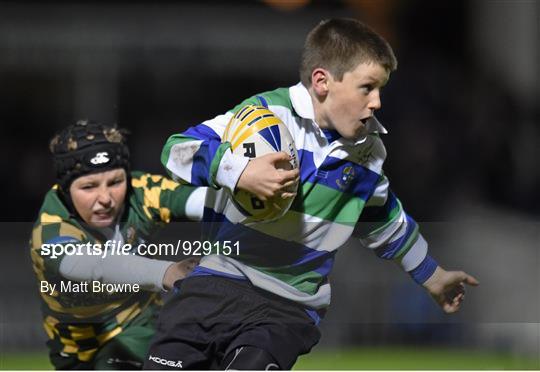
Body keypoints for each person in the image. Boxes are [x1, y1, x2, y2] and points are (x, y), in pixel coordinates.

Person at [147, 18, 479, 370]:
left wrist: (432, 275)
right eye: (367, 88)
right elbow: (176, 151)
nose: (378, 102)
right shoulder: (263, 116)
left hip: (287, 306)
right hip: (216, 282)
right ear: (322, 82)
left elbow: (385, 222)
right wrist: (238, 171)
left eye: (381, 89)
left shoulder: (368, 153)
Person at [30, 119, 206, 369]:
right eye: (88, 186)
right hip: (76, 352)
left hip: (143, 328)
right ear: (65, 189)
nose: (105, 198)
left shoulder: (142, 191)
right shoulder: (50, 228)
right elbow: (91, 265)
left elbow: (205, 202)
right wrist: (167, 272)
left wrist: (249, 185)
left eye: (115, 182)